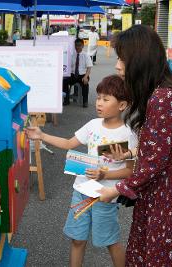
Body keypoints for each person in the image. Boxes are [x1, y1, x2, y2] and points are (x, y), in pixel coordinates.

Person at [96, 25, 172, 266]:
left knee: (157, 257)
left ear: (139, 60)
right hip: (163, 194)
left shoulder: (162, 98)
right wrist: (131, 153)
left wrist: (117, 189)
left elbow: (153, 162)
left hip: (168, 200)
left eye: (122, 58)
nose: (117, 65)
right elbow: (158, 148)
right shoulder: (161, 94)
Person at [27, 75, 138, 267]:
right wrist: (41, 135)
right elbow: (69, 143)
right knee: (77, 239)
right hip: (82, 190)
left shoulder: (128, 134)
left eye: (106, 99)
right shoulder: (93, 125)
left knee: (110, 241)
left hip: (106, 196)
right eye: (98, 98)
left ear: (122, 105)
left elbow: (129, 172)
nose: (99, 103)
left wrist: (105, 175)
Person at [63, 38, 92, 108]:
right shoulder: (72, 54)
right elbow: (68, 65)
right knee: (64, 82)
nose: (77, 47)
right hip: (73, 75)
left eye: (79, 45)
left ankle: (85, 101)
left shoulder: (86, 55)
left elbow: (89, 67)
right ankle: (66, 100)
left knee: (85, 84)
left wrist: (85, 77)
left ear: (82, 46)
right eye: (76, 45)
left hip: (82, 75)